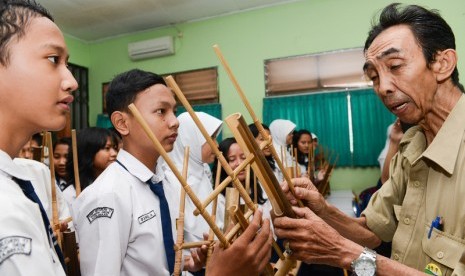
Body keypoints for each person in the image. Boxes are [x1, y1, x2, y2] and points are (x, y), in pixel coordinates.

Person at [273, 3, 465, 276]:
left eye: (395, 66)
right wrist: (322, 209)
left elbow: (359, 250)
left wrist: (348, 255)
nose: (383, 88)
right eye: (374, 77)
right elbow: (373, 231)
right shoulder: (412, 146)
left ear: (442, 64)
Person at [72, 69, 272, 275]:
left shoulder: (165, 181)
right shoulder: (107, 196)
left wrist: (187, 264)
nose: (175, 121)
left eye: (173, 111)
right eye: (161, 111)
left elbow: (153, 261)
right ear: (122, 123)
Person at [0, 0, 78, 274]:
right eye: (53, 60)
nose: (71, 81)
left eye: (67, 63)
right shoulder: (5, 208)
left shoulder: (22, 178)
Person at [165, 111, 226, 244]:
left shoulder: (202, 172)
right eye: (212, 138)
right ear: (191, 140)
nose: (216, 145)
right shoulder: (172, 181)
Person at [66, 127, 118, 196]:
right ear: (89, 152)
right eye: (107, 148)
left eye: (115, 148)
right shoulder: (72, 193)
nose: (114, 153)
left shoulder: (120, 182)